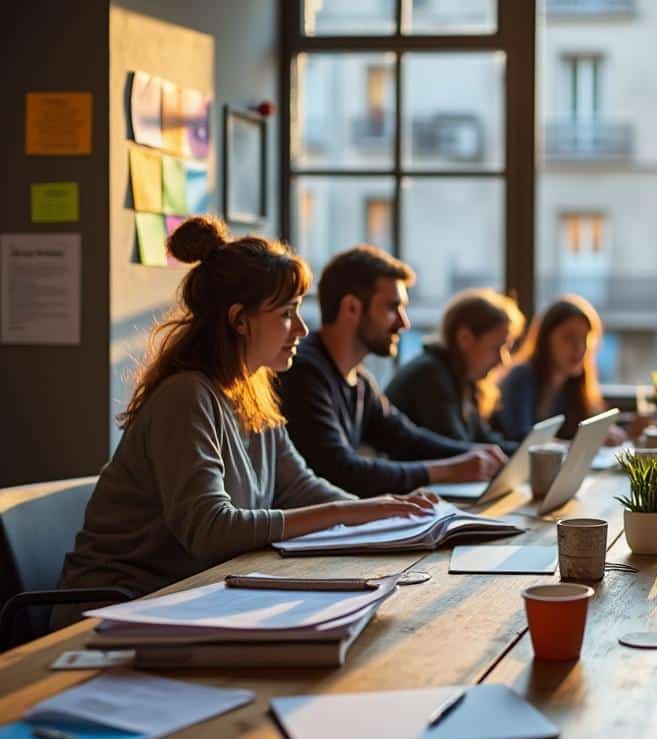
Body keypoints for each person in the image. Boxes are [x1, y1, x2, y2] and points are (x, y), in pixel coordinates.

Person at [56, 218, 434, 611]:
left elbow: (299, 488)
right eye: (288, 313)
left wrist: (386, 524)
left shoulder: (254, 391)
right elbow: (210, 529)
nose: (302, 329)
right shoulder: (186, 397)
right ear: (239, 320)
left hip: (189, 597)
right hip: (117, 608)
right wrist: (346, 512)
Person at [277, 245, 506, 497]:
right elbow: (340, 472)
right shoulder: (303, 372)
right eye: (392, 308)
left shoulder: (360, 379)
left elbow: (404, 438)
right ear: (352, 308)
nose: (404, 323)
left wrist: (476, 453)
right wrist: (448, 470)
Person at [385, 289, 524, 453]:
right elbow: (457, 449)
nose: (503, 360)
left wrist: (534, 451)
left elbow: (483, 438)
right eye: (497, 348)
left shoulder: (460, 376)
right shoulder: (430, 376)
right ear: (465, 338)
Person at [495, 295, 625, 446]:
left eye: (584, 339)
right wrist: (578, 445)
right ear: (546, 340)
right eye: (569, 338)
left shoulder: (572, 384)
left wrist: (610, 431)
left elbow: (584, 424)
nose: (579, 348)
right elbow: (522, 440)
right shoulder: (521, 377)